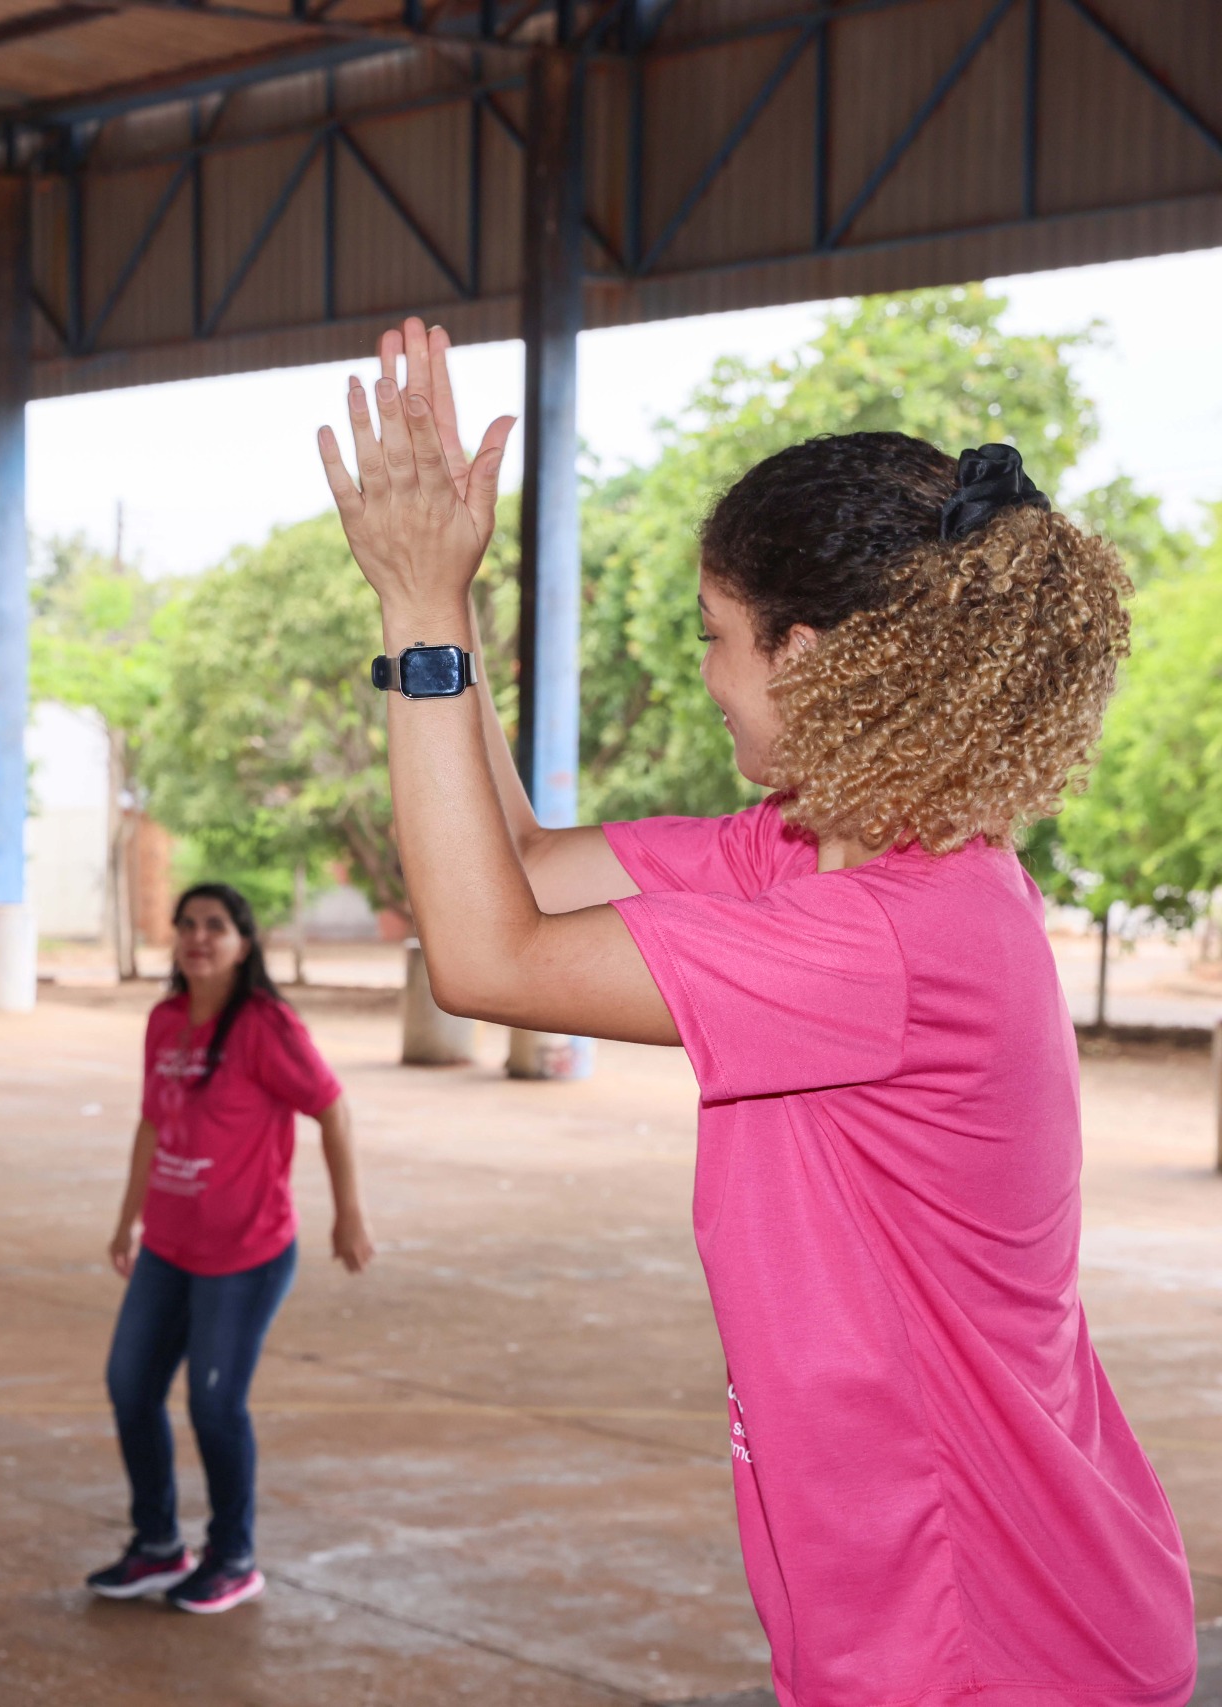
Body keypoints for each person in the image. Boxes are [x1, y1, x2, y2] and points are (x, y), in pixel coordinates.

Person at [310, 319, 1193, 1701]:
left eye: (715, 638)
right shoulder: (811, 854)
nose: (709, 675)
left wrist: (417, 617)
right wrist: (443, 604)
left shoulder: (888, 939)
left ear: (811, 658)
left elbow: (485, 961)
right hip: (911, 1614)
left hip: (990, 1641)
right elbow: (518, 867)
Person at [92, 884, 372, 1615]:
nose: (198, 937)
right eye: (186, 924)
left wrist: (348, 1215)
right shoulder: (164, 1021)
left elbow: (333, 1108)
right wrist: (128, 1221)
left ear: (244, 943)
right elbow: (152, 1123)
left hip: (246, 1251)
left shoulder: (264, 1026)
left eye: (215, 926)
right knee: (130, 1385)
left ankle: (234, 1556)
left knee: (215, 1404)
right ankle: (158, 1544)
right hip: (169, 1245)